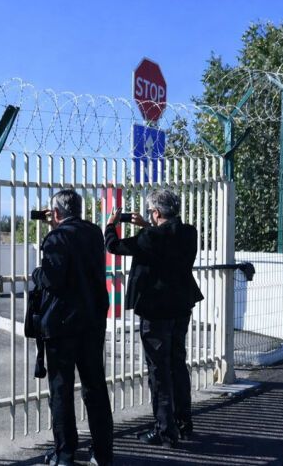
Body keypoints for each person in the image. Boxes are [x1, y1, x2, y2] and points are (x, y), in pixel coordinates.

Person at [104, 188, 203, 448]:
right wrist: (148, 224)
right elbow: (165, 240)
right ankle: (183, 423)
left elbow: (114, 246)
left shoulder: (150, 237)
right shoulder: (188, 232)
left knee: (159, 371)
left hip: (156, 311)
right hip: (181, 306)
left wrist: (111, 225)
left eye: (151, 212)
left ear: (157, 212)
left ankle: (164, 430)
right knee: (177, 365)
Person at [31, 189, 113, 466]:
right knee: (95, 388)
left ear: (55, 213)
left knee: (61, 390)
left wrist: (36, 273)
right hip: (92, 321)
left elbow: (51, 279)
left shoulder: (55, 237)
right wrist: (56, 226)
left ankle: (65, 454)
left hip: (62, 324)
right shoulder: (94, 233)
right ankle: (102, 453)